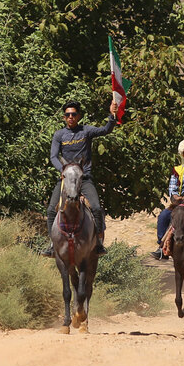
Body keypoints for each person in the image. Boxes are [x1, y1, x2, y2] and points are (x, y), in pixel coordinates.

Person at [44, 98, 120, 256]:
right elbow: (53, 157)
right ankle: (52, 244)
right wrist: (63, 170)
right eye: (67, 114)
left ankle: (98, 242)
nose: (70, 117)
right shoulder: (59, 135)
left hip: (84, 179)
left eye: (73, 114)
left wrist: (112, 115)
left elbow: (106, 130)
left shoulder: (86, 131)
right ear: (64, 117)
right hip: (66, 179)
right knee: (51, 210)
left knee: (97, 208)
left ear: (78, 116)